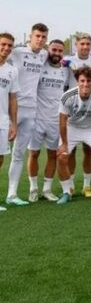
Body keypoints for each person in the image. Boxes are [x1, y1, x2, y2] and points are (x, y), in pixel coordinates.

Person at [6, 23, 48, 206]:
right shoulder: (17, 52)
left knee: (19, 154)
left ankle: (12, 194)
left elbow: (61, 60)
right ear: (30, 36)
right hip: (10, 110)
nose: (40, 40)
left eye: (43, 37)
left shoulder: (45, 55)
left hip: (31, 111)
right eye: (37, 36)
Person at [56, 67, 91, 204]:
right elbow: (62, 122)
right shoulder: (67, 96)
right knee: (62, 157)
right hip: (72, 128)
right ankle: (66, 192)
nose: (85, 84)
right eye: (82, 81)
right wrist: (64, 144)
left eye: (89, 81)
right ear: (77, 81)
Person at [26, 39, 69, 202]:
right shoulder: (39, 67)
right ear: (47, 49)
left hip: (55, 120)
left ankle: (47, 189)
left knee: (53, 154)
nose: (57, 53)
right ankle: (33, 188)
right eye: (54, 50)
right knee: (34, 153)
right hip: (36, 118)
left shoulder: (66, 70)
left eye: (60, 51)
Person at [65, 32, 91, 196]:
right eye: (82, 44)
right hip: (72, 111)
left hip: (90, 111)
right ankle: (70, 185)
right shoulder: (67, 61)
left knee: (88, 150)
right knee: (70, 151)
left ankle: (87, 186)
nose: (85, 46)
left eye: (88, 44)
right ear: (76, 45)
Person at [0, 33, 19, 211]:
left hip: (3, 121)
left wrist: (14, 123)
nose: (6, 48)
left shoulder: (12, 70)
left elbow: (13, 99)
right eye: (3, 44)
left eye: (9, 46)